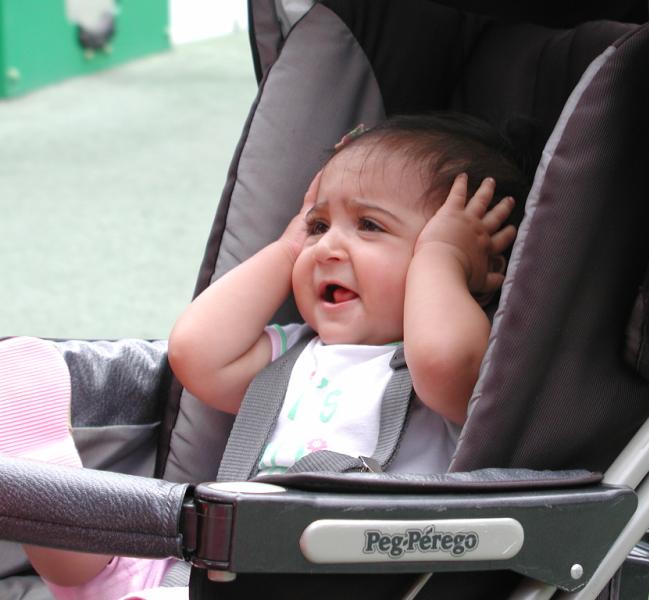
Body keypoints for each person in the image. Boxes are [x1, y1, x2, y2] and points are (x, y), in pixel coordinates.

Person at [0, 113, 531, 599]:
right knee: (99, 562)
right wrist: (288, 246)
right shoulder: (297, 352)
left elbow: (441, 358)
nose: (327, 248)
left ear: (476, 267)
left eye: (369, 226)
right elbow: (195, 353)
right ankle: (40, 479)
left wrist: (444, 256)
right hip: (210, 569)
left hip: (329, 580)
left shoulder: (451, 369)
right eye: (319, 226)